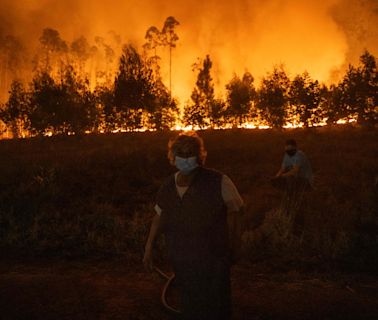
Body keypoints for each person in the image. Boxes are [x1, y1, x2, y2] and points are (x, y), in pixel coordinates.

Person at [143, 131, 243, 320]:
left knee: (216, 304)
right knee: (190, 301)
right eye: (181, 153)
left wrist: (236, 246)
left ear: (199, 155)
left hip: (213, 259)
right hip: (181, 258)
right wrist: (149, 247)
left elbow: (236, 212)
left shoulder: (219, 181)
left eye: (190, 153)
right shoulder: (168, 186)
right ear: (173, 157)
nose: (186, 158)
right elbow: (159, 217)